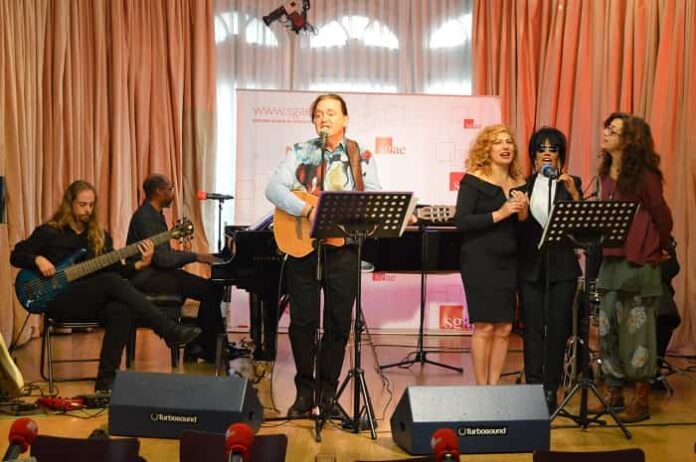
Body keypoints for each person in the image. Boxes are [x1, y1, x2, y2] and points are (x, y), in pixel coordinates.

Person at [10, 180, 201, 392]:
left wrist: (140, 264)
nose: (87, 210)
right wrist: (37, 259)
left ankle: (105, 382)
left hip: (89, 302)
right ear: (69, 204)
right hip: (57, 300)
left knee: (121, 309)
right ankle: (168, 330)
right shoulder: (49, 232)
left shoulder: (99, 237)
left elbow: (117, 272)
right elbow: (16, 255)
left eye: (91, 205)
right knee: (109, 282)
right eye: (82, 204)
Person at [265, 93, 380, 418]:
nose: (324, 118)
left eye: (330, 113)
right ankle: (304, 393)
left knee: (338, 323)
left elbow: (372, 195)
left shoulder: (361, 155)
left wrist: (346, 212)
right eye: (318, 114)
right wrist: (306, 210)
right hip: (303, 248)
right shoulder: (301, 151)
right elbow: (274, 189)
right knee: (302, 322)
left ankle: (327, 395)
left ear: (345, 119)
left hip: (343, 250)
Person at [590, 113, 673, 422]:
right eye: (607, 128)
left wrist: (658, 246)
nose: (606, 133)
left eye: (613, 130)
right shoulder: (605, 174)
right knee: (607, 328)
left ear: (630, 140)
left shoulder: (644, 175)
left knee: (637, 333)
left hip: (638, 263)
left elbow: (662, 216)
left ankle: (641, 399)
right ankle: (613, 393)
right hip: (611, 261)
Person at [454, 124, 528, 385]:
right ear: (487, 148)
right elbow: (462, 221)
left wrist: (523, 213)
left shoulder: (520, 183)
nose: (505, 147)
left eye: (508, 142)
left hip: (509, 261)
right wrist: (501, 213)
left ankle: (493, 387)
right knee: (484, 326)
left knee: (505, 327)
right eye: (498, 142)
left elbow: (523, 229)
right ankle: (481, 388)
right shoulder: (473, 180)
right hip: (479, 260)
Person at [126, 174, 225, 363]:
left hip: (157, 273)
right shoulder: (146, 217)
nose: (173, 193)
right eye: (170, 189)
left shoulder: (154, 214)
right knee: (210, 290)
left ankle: (202, 345)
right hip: (146, 277)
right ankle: (205, 347)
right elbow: (163, 259)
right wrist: (197, 257)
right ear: (158, 192)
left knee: (210, 288)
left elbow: (164, 255)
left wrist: (193, 256)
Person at [517, 127, 582, 411]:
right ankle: (533, 386)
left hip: (563, 269)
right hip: (530, 269)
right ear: (533, 155)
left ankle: (550, 388)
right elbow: (519, 233)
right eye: (541, 148)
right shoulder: (523, 186)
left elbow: (582, 228)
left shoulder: (572, 183)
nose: (546, 153)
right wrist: (521, 215)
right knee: (532, 329)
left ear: (560, 155)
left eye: (552, 149)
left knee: (557, 329)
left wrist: (575, 194)